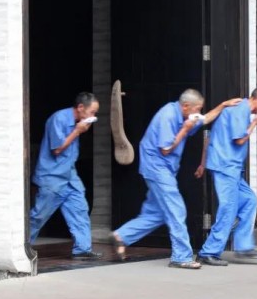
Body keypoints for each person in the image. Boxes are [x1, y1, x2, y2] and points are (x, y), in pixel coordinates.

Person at [110, 90, 242, 269]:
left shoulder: (186, 114)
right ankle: (181, 256)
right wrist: (185, 129)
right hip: (157, 168)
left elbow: (205, 119)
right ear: (186, 106)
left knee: (156, 214)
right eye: (197, 108)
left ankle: (122, 236)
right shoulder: (168, 115)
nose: (199, 112)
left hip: (163, 169)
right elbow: (166, 149)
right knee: (176, 209)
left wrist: (223, 105)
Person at [195, 86, 257, 266]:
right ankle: (209, 251)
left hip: (230, 167)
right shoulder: (241, 111)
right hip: (226, 166)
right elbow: (239, 139)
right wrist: (256, 121)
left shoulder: (239, 110)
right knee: (228, 208)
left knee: (249, 200)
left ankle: (243, 247)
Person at [29, 92, 103, 259]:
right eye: (92, 112)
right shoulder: (59, 119)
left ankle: (82, 248)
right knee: (39, 215)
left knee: (80, 208)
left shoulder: (78, 122)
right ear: (81, 108)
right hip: (52, 175)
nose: (93, 116)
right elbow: (57, 149)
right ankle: (22, 247)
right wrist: (77, 131)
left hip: (69, 174)